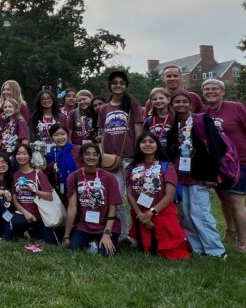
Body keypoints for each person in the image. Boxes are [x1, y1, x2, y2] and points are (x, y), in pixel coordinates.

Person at [168, 91, 227, 258]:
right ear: (172, 105)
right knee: (186, 214)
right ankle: (197, 249)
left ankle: (215, 251)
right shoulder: (175, 124)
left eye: (184, 101)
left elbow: (216, 147)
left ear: (191, 103)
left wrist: (212, 174)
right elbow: (173, 149)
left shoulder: (201, 120)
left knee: (200, 212)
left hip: (200, 175)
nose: (180, 104)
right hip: (182, 175)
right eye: (177, 102)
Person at [126, 132, 189, 259]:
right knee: (149, 250)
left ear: (157, 145)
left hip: (162, 213)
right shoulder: (131, 167)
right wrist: (140, 215)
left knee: (169, 253)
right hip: (140, 214)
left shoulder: (167, 166)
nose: (147, 144)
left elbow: (169, 196)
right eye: (143, 142)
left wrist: (150, 213)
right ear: (138, 145)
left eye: (151, 141)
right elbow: (129, 193)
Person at [97, 70, 143, 242]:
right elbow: (103, 135)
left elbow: (139, 133)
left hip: (130, 158)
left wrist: (139, 156)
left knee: (135, 196)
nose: (118, 85)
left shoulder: (133, 106)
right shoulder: (104, 109)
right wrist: (103, 157)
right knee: (115, 198)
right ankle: (122, 233)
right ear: (110, 85)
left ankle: (138, 233)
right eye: (115, 82)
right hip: (111, 160)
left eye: (122, 83)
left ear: (126, 86)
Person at [201, 78, 246, 252]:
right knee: (224, 199)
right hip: (218, 165)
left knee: (236, 200)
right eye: (207, 89)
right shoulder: (204, 113)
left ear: (223, 92)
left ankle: (243, 242)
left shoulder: (236, 108)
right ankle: (231, 231)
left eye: (215, 89)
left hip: (239, 161)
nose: (211, 92)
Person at [63, 143, 122, 256]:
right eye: (88, 154)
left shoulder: (109, 177)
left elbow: (113, 208)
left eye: (95, 154)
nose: (91, 157)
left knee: (106, 254)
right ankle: (90, 242)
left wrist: (107, 233)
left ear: (99, 157)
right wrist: (66, 236)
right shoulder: (73, 177)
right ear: (81, 156)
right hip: (84, 226)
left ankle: (101, 241)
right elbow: (72, 208)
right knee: (74, 251)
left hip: (106, 226)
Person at [10, 143, 58, 244]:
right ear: (15, 156)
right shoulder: (14, 176)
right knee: (18, 222)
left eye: (24, 153)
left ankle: (32, 231)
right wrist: (26, 213)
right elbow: (15, 200)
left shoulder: (38, 173)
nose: (21, 156)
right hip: (23, 214)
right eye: (18, 154)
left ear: (30, 156)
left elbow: (49, 196)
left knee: (51, 243)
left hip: (40, 216)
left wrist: (33, 190)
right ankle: (24, 232)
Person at [45, 123, 82, 196]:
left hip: (79, 190)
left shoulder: (78, 150)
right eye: (56, 135)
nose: (60, 137)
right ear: (51, 138)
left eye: (63, 134)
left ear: (68, 135)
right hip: (59, 193)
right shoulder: (50, 155)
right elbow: (45, 174)